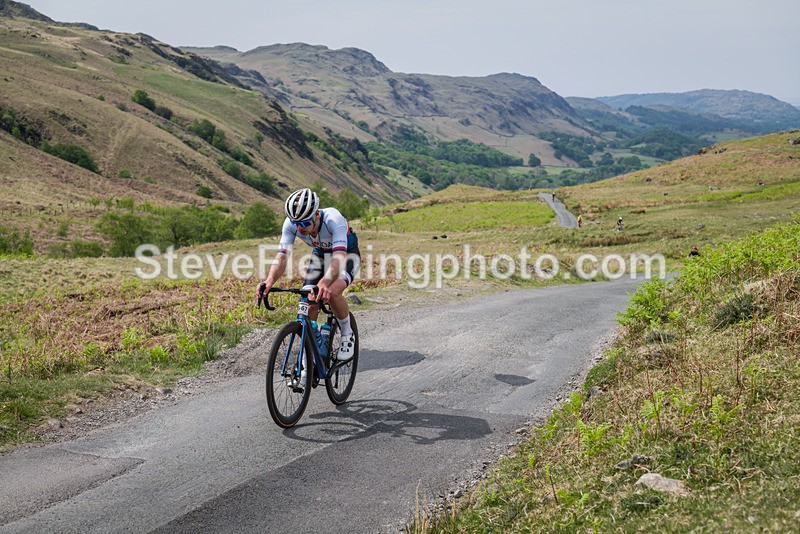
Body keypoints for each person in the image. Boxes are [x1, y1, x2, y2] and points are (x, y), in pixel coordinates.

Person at [258, 188, 361, 364]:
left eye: (305, 223)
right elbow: (282, 257)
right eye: (296, 223)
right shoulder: (292, 225)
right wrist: (269, 281)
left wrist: (324, 282)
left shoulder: (333, 219)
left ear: (316, 215)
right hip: (320, 255)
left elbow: (338, 259)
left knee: (333, 291)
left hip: (346, 255)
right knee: (308, 300)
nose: (300, 228)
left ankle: (346, 332)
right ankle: (310, 348)